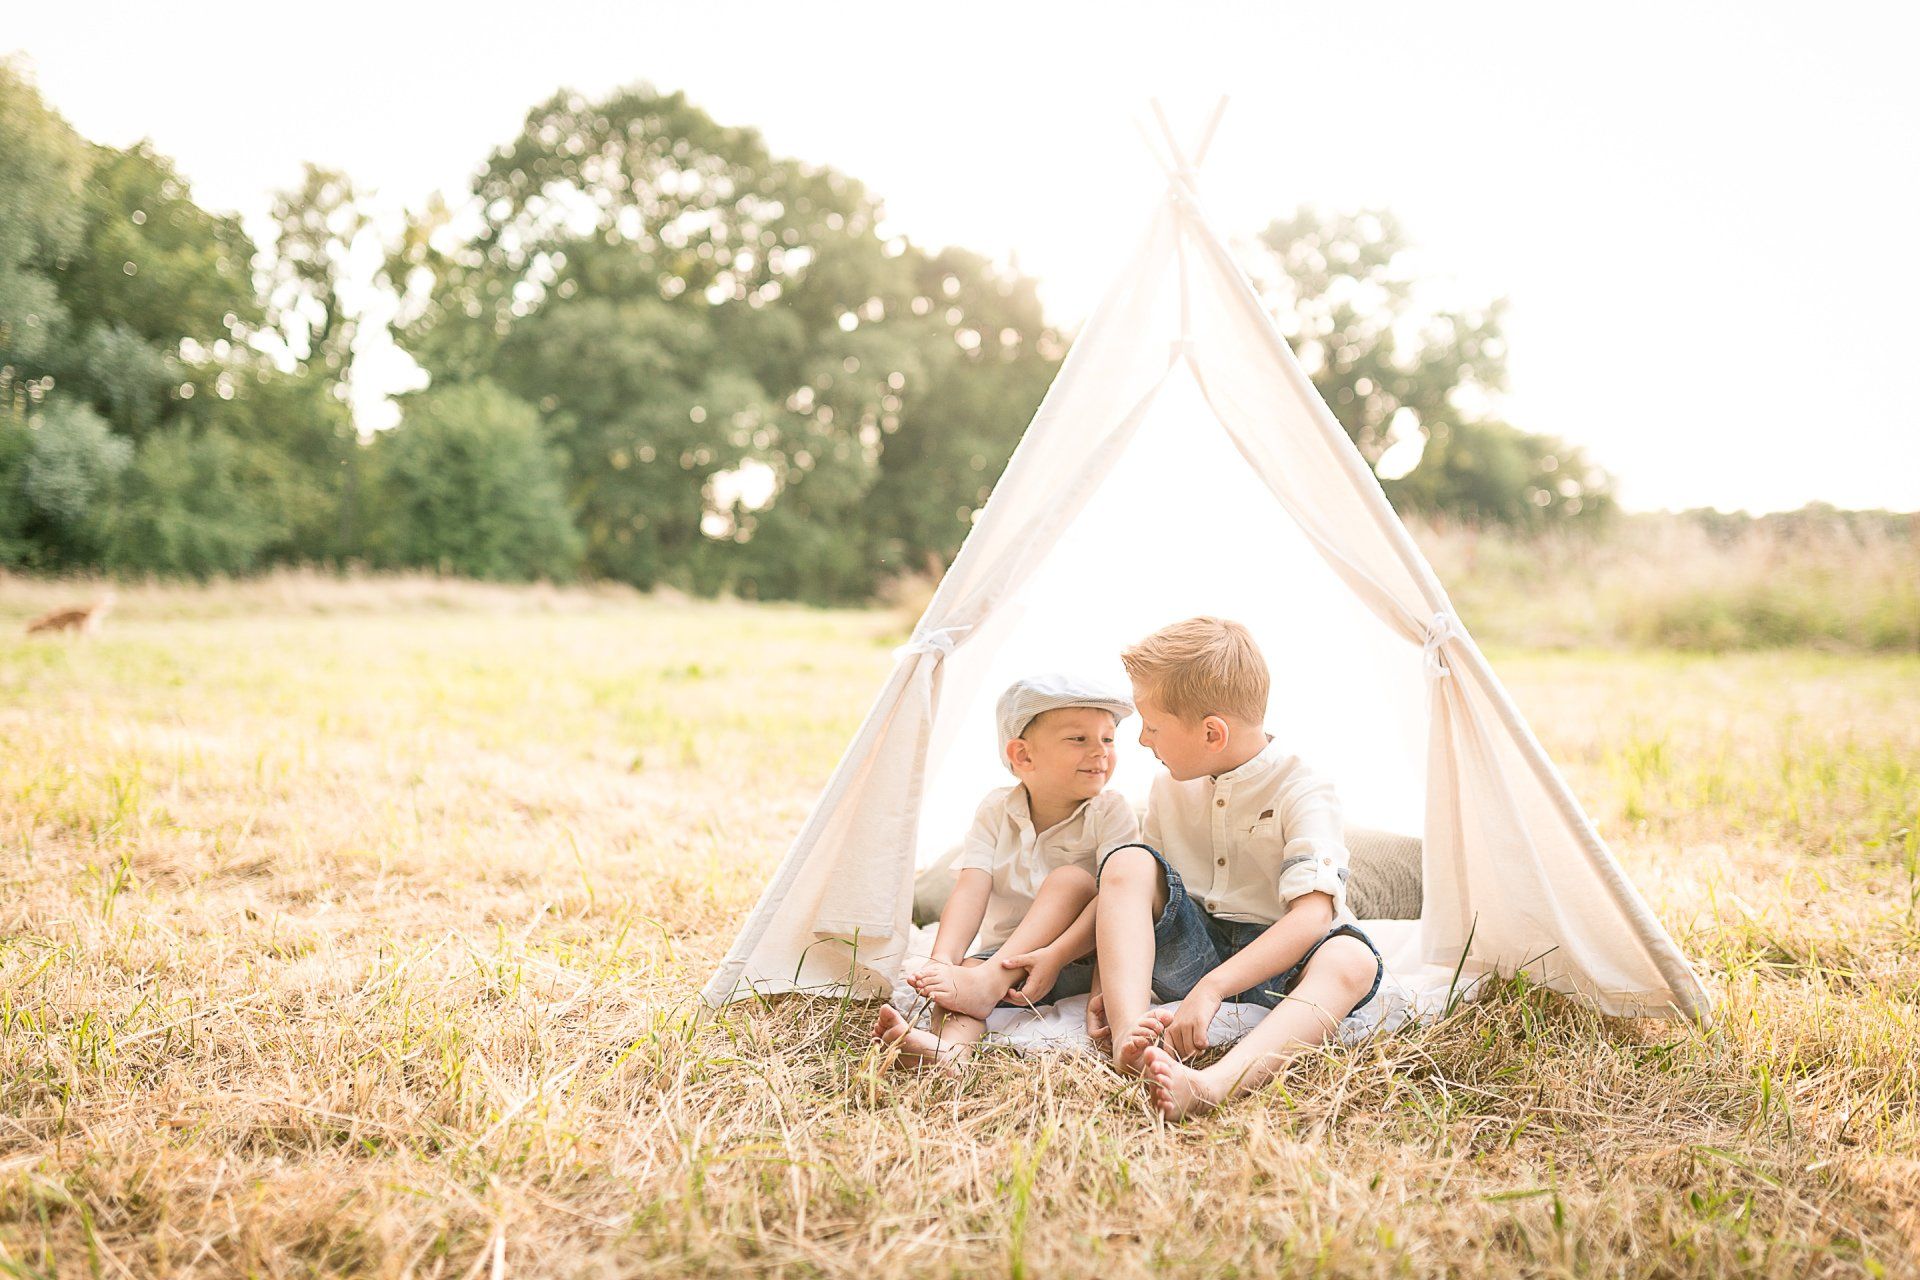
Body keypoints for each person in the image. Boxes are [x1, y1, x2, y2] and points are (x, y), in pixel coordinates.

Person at [1093, 617, 1385, 1119]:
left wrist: (1214, 988)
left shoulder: (1304, 787)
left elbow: (1312, 916)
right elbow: (1138, 898)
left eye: (1153, 726)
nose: (1142, 740)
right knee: (1129, 861)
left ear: (1212, 733)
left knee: (1353, 960)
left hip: (1280, 967)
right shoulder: (1169, 786)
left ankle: (1214, 1084)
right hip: (1191, 947)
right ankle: (1130, 1040)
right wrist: (1109, 987)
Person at [873, 673, 1138, 1072]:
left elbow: (1119, 902)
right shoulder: (996, 810)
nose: (1100, 751)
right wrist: (944, 958)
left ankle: (987, 984)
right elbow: (970, 888)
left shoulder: (1110, 811)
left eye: (1108, 739)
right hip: (1001, 959)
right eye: (1078, 739)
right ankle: (950, 1051)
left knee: (1072, 881)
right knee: (961, 981)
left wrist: (1053, 956)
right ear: (1023, 756)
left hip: (1075, 960)